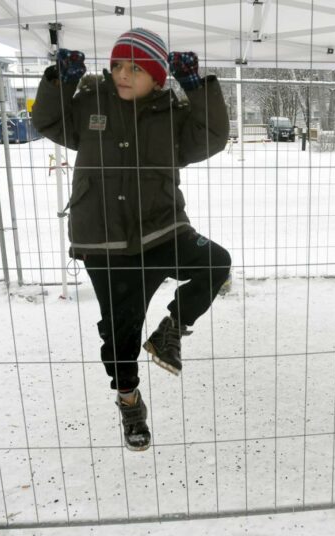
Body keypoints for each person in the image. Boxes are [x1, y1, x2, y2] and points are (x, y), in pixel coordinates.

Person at [32, 28, 231, 451]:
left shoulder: (172, 113)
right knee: (121, 333)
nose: (123, 74)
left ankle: (171, 330)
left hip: (160, 229)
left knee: (215, 263)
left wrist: (196, 89)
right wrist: (60, 80)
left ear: (158, 77)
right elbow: (47, 121)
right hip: (102, 240)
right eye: (118, 64)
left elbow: (211, 138)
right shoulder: (90, 101)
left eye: (135, 68)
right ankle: (129, 401)